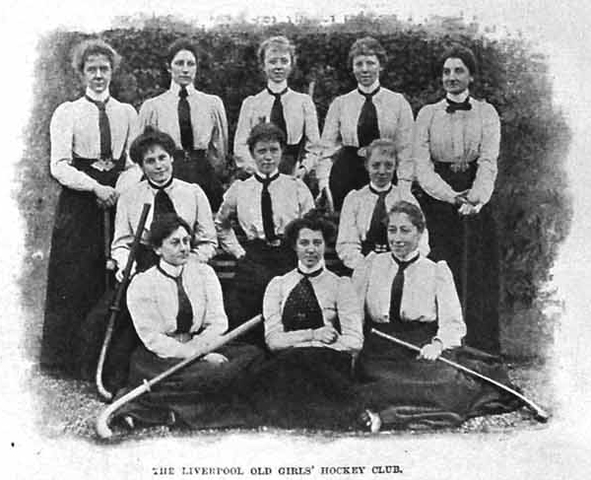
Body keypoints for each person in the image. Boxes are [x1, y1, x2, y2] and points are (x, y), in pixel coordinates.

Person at [353, 201, 519, 431]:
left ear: (420, 233)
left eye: (405, 230)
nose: (397, 238)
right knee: (371, 382)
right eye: (392, 230)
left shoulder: (435, 270)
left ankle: (387, 417)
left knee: (445, 384)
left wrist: (438, 345)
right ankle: (387, 413)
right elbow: (353, 312)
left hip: (421, 348)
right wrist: (355, 346)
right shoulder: (371, 265)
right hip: (380, 349)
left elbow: (453, 322)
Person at [41, 39, 138, 377]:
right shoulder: (68, 112)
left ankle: (108, 358)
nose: (99, 75)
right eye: (92, 69)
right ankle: (68, 361)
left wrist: (116, 189)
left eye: (104, 69)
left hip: (116, 198)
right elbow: (60, 164)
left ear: (113, 72)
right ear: (81, 74)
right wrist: (95, 187)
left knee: (113, 273)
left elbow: (134, 163)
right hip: (80, 203)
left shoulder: (126, 112)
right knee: (76, 275)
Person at [114, 215, 264, 429]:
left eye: (186, 241)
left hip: (203, 344)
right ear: (157, 249)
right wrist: (195, 355)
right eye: (175, 243)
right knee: (210, 374)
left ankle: (165, 408)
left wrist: (200, 348)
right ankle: (186, 409)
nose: (184, 248)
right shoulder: (142, 283)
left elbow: (218, 322)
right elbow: (152, 338)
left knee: (252, 356)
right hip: (165, 354)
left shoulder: (204, 273)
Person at [414, 44, 501, 354]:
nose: (451, 77)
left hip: (476, 196)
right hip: (439, 200)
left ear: (471, 77)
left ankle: (481, 348)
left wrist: (475, 199)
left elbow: (489, 161)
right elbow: (422, 168)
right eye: (447, 71)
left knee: (477, 272)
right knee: (442, 269)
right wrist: (451, 197)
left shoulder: (486, 113)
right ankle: (444, 345)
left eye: (459, 71)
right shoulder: (427, 114)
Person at [250, 213, 363, 429]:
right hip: (288, 360)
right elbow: (273, 341)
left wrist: (321, 345)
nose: (311, 249)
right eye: (304, 243)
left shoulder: (340, 285)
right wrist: (312, 335)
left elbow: (355, 340)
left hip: (327, 359)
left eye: (317, 243)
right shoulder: (279, 285)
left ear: (325, 245)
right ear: (294, 246)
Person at [215, 123, 314, 346]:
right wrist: (238, 252)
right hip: (253, 258)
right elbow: (221, 223)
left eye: (274, 150)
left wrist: (301, 250)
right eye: (261, 151)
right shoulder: (240, 189)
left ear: (281, 152)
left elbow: (310, 226)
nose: (268, 157)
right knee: (244, 311)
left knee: (292, 308)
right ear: (252, 154)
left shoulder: (296, 187)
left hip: (287, 257)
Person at [319, 37, 414, 211]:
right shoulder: (341, 103)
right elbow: (326, 149)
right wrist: (323, 183)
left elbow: (406, 150)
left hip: (384, 171)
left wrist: (404, 186)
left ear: (380, 66)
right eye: (359, 64)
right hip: (347, 175)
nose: (364, 69)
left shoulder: (398, 102)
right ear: (352, 67)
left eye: (370, 63)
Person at [111, 128, 217, 278]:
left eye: (162, 158)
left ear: (171, 158)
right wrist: (126, 265)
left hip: (186, 266)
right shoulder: (129, 198)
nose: (158, 166)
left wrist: (190, 263)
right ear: (141, 167)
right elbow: (121, 244)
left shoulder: (193, 193)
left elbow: (208, 241)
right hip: (145, 269)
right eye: (150, 161)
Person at [138, 38, 227, 211]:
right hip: (167, 172)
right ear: (169, 67)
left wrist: (210, 172)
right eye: (179, 63)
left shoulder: (212, 104)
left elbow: (219, 149)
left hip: (203, 174)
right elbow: (140, 149)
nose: (185, 69)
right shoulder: (153, 106)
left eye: (190, 64)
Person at [233, 36, 320, 179]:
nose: (278, 67)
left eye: (284, 61)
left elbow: (314, 146)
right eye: (272, 61)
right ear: (263, 65)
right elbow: (240, 146)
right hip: (258, 172)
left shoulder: (303, 102)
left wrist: (304, 169)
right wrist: (256, 170)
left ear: (291, 64)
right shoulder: (252, 103)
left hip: (292, 172)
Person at [336, 138, 429, 272]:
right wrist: (363, 267)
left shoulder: (405, 198)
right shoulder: (355, 199)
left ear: (396, 166)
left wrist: (405, 264)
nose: (382, 171)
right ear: (367, 165)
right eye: (376, 165)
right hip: (364, 266)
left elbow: (421, 238)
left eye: (388, 165)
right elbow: (347, 243)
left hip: (402, 265)